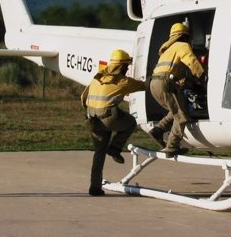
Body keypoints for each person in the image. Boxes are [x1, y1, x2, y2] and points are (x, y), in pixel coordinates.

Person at [80, 49, 145, 196]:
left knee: (99, 152)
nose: (127, 68)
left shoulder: (97, 78)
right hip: (108, 118)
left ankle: (94, 187)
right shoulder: (123, 81)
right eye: (126, 66)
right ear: (121, 66)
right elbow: (144, 86)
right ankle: (115, 148)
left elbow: (83, 97)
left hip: (92, 120)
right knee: (131, 122)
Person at [148, 22, 205, 157]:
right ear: (185, 37)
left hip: (154, 83)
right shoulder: (182, 45)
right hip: (165, 82)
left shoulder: (168, 50)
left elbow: (175, 69)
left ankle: (158, 130)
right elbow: (191, 61)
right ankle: (172, 147)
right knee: (181, 117)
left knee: (176, 110)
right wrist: (202, 77)